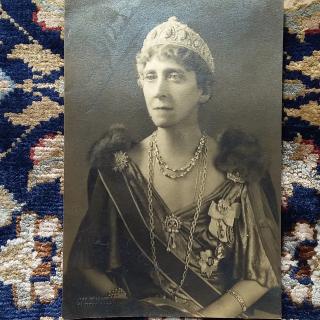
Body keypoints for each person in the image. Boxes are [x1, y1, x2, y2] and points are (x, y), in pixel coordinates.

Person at [65, 17, 280, 318]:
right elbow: (85, 262)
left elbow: (261, 272)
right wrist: (125, 302)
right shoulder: (117, 168)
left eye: (175, 76)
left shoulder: (237, 168)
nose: (160, 90)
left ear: (203, 90)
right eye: (150, 76)